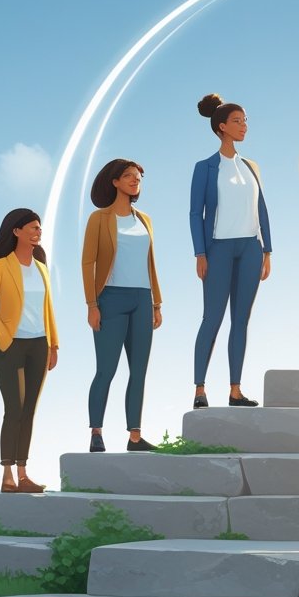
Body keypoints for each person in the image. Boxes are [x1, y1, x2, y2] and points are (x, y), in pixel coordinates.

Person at [189, 94, 273, 408]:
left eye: (245, 121)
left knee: (241, 320)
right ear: (222, 127)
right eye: (237, 121)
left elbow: (261, 208)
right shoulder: (205, 168)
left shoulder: (251, 166)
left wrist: (268, 250)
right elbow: (195, 213)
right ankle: (199, 389)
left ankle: (235, 390)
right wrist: (200, 253)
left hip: (251, 248)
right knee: (212, 318)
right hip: (218, 250)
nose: (244, 127)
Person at [82, 158, 162, 452]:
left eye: (138, 176)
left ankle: (135, 436)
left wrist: (157, 303)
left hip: (142, 298)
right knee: (106, 369)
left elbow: (151, 263)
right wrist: (92, 303)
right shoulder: (99, 219)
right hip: (110, 298)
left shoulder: (145, 220)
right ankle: (96, 432)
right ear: (114, 181)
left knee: (139, 370)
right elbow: (87, 262)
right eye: (128, 176)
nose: (134, 180)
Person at [0, 208, 58, 493]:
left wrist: (54, 344)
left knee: (29, 410)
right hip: (10, 346)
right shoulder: (1, 266)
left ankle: (24, 474)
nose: (38, 233)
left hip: (39, 344)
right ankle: (7, 475)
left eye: (39, 229)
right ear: (17, 231)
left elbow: (48, 309)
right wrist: (3, 336)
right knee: (14, 409)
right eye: (33, 228)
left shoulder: (41, 268)